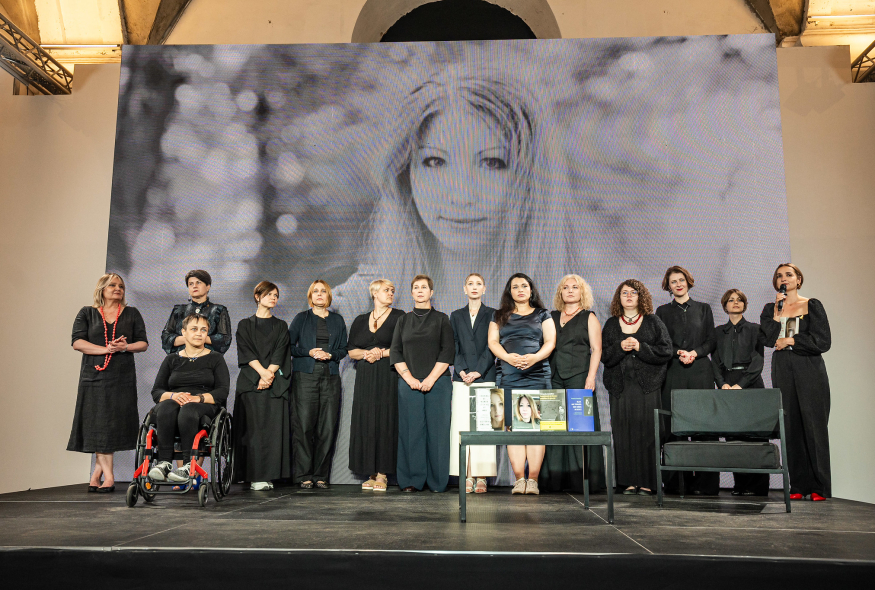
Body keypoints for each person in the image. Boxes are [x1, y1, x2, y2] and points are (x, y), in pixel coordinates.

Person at [68, 273, 149, 493]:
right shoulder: (87, 313)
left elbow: (143, 343)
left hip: (121, 378)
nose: (117, 289)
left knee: (110, 424)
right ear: (101, 289)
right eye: (112, 285)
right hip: (93, 376)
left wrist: (124, 347)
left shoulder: (132, 313)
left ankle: (97, 472)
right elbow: (77, 342)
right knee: (97, 422)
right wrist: (106, 349)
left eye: (121, 286)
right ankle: (109, 476)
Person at [759, 263, 831, 501]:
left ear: (798, 279)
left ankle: (819, 487)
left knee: (813, 424)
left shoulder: (812, 305)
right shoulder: (771, 308)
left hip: (808, 367)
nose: (784, 278)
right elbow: (768, 340)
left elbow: (823, 341)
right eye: (779, 275)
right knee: (790, 425)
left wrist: (791, 341)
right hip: (782, 368)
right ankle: (798, 485)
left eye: (789, 274)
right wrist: (777, 315)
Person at [602, 280, 672, 496]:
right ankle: (628, 482)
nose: (630, 296)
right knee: (623, 433)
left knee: (648, 433)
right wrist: (619, 347)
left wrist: (642, 347)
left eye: (634, 292)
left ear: (641, 297)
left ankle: (648, 482)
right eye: (625, 293)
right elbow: (604, 355)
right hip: (620, 387)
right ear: (618, 298)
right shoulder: (612, 324)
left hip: (647, 387)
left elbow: (666, 350)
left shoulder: (653, 321)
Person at [488, 273, 556, 495]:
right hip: (508, 374)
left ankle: (533, 480)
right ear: (509, 291)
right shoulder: (498, 315)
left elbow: (550, 341)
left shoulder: (542, 314)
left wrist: (535, 358)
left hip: (538, 373)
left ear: (531, 290)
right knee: (512, 427)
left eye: (524, 286)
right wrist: (508, 358)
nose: (520, 290)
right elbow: (492, 342)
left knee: (536, 427)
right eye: (515, 286)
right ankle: (519, 479)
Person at [655, 265, 717, 495]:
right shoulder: (661, 311)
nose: (678, 284)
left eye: (681, 280)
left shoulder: (703, 309)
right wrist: (679, 353)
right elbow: (661, 342)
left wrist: (695, 353)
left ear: (688, 282)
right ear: (668, 286)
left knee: (703, 427)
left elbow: (711, 340)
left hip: (700, 370)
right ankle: (675, 484)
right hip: (673, 371)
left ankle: (706, 485)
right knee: (673, 427)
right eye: (673, 281)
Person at [390, 275, 455, 493]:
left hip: (438, 383)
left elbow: (447, 351)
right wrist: (409, 378)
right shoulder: (403, 320)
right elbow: (396, 351)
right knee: (411, 432)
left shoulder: (442, 319)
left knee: (438, 433)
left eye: (424, 287)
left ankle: (437, 482)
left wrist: (430, 379)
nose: (420, 291)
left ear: (431, 292)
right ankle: (411, 480)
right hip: (409, 384)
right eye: (416, 288)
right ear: (411, 293)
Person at [541, 274, 606, 494]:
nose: (570, 291)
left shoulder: (589, 317)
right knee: (553, 429)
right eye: (565, 287)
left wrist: (591, 377)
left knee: (580, 429)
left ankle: (585, 481)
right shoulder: (550, 316)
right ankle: (554, 481)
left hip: (579, 376)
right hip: (553, 377)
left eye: (575, 287)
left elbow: (596, 349)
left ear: (582, 292)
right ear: (560, 293)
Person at [148, 314, 230, 483]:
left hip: (203, 403)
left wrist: (198, 398)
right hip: (175, 399)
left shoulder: (216, 358)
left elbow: (222, 391)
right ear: (183, 332)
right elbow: (157, 392)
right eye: (194, 329)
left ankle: (187, 466)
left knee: (188, 409)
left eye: (203, 330)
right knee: (166, 407)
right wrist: (173, 395)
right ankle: (164, 463)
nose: (199, 333)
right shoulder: (171, 359)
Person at [347, 279, 405, 492]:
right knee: (366, 420)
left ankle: (382, 473)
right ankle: (371, 472)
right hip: (365, 375)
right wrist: (367, 354)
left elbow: (403, 346)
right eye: (386, 290)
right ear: (374, 293)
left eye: (392, 290)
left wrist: (381, 352)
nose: (390, 293)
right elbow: (351, 350)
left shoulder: (400, 317)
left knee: (386, 420)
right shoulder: (360, 320)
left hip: (388, 374)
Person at [289, 280, 348, 489]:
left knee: (327, 426)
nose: (320, 295)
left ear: (329, 296)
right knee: (304, 425)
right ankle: (304, 474)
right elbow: (289, 347)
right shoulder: (301, 318)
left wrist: (331, 354)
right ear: (310, 296)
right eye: (316, 292)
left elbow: (344, 349)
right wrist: (309, 352)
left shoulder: (338, 320)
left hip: (330, 375)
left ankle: (321, 475)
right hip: (305, 375)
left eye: (323, 291)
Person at [233, 281, 292, 491]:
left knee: (272, 431)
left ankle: (269, 474)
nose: (273, 298)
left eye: (276, 295)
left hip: (273, 384)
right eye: (269, 294)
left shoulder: (281, 325)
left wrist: (270, 373)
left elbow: (280, 352)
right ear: (257, 296)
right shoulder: (244, 325)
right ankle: (254, 475)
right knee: (254, 431)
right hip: (251, 382)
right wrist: (262, 373)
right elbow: (246, 352)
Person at [712, 288, 769, 497]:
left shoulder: (755, 329)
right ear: (725, 305)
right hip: (728, 384)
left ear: (744, 304)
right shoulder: (718, 332)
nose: (735, 303)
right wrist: (722, 383)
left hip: (751, 384)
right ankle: (740, 485)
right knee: (734, 438)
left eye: (739, 300)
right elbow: (716, 361)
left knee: (755, 436)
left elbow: (758, 361)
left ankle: (758, 486)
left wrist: (741, 384)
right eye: (730, 300)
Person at [449, 273, 497, 494]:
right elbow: (454, 345)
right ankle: (467, 474)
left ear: (484, 289)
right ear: (464, 289)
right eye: (470, 284)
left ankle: (481, 476)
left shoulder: (493, 314)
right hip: (461, 378)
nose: (474, 287)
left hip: (485, 377)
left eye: (479, 283)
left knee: (483, 427)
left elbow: (492, 346)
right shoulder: (456, 315)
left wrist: (478, 371)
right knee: (462, 426)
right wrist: (462, 370)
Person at [161, 270, 231, 355]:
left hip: (208, 360)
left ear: (208, 286)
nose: (194, 286)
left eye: (198, 283)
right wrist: (191, 338)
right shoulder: (179, 310)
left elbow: (224, 339)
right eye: (191, 284)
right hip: (181, 361)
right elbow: (166, 338)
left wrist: (196, 338)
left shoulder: (218, 310)